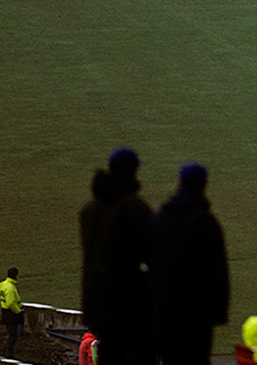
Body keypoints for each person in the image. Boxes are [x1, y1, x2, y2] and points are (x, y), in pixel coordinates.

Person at [149, 163, 230, 365]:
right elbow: (217, 272)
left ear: (179, 183)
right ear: (204, 185)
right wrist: (218, 312)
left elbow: (147, 266)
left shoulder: (159, 220)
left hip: (164, 315)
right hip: (197, 317)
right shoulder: (206, 222)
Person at [80, 148, 154, 365]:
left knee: (109, 355)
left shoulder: (89, 210)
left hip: (97, 304)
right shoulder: (134, 207)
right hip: (129, 303)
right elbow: (150, 253)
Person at [0, 267, 25, 357]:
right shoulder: (11, 288)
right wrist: (18, 311)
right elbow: (11, 303)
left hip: (5, 311)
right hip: (11, 313)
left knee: (11, 333)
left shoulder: (4, 284)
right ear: (15, 276)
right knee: (12, 334)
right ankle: (8, 353)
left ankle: (7, 351)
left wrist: (2, 297)